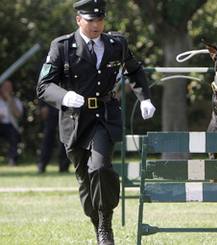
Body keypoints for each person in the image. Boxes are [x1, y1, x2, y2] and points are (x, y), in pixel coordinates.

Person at [37, 0, 156, 244]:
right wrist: (65, 96)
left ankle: (105, 226)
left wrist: (144, 97)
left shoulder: (116, 44)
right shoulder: (62, 47)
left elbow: (134, 70)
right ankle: (97, 222)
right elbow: (43, 86)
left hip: (105, 115)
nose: (96, 25)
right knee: (85, 181)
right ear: (78, 20)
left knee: (100, 168)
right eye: (90, 20)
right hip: (75, 120)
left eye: (100, 20)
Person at [37, 101, 70, 173]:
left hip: (66, 105)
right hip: (51, 106)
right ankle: (42, 164)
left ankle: (64, 166)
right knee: (47, 137)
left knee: (65, 138)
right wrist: (43, 105)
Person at [0, 80, 23, 166]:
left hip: (10, 126)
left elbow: (18, 115)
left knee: (14, 135)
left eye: (9, 87)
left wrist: (10, 100)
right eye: (5, 87)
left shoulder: (15, 101)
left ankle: (12, 160)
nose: (7, 89)